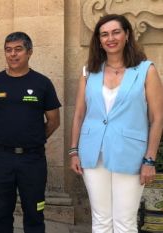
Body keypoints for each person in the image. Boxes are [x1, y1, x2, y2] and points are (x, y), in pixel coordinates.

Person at [69, 14, 163, 232]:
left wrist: (150, 159)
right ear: (99, 40)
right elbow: (79, 114)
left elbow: (157, 118)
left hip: (130, 153)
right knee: (100, 219)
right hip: (93, 153)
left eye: (115, 32)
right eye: (104, 34)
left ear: (127, 34)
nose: (110, 38)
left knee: (125, 221)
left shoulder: (146, 70)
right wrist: (74, 150)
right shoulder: (88, 71)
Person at [0, 31, 61, 233]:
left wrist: (33, 139)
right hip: (1, 158)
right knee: (1, 213)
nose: (13, 54)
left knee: (34, 214)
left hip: (32, 159)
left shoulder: (42, 83)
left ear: (29, 52)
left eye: (18, 49)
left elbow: (53, 121)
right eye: (8, 50)